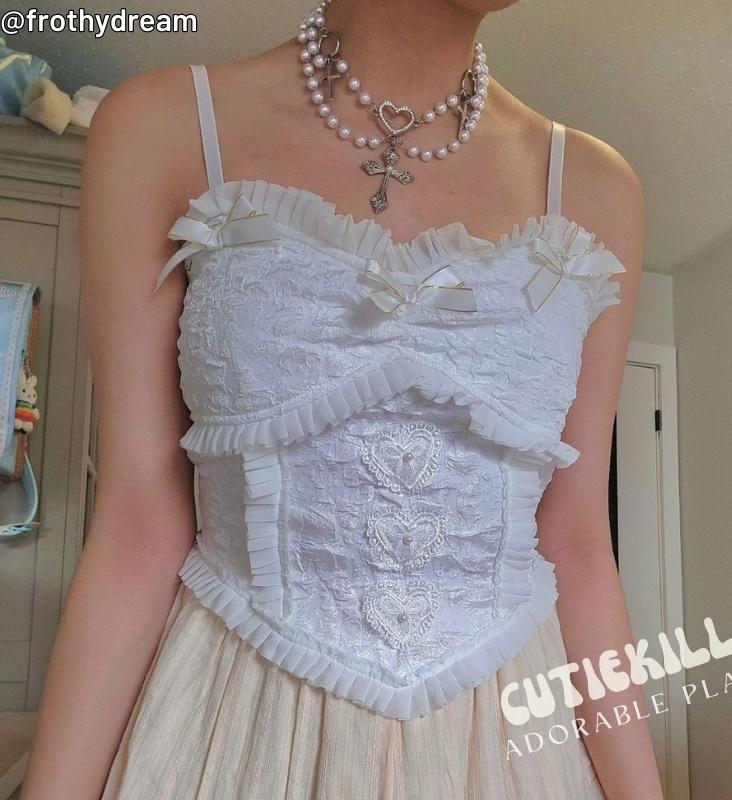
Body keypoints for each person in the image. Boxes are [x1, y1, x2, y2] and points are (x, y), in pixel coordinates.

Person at [21, 0, 660, 797]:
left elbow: (578, 545)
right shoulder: (163, 125)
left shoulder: (595, 189)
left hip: (511, 749)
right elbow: (137, 524)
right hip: (231, 731)